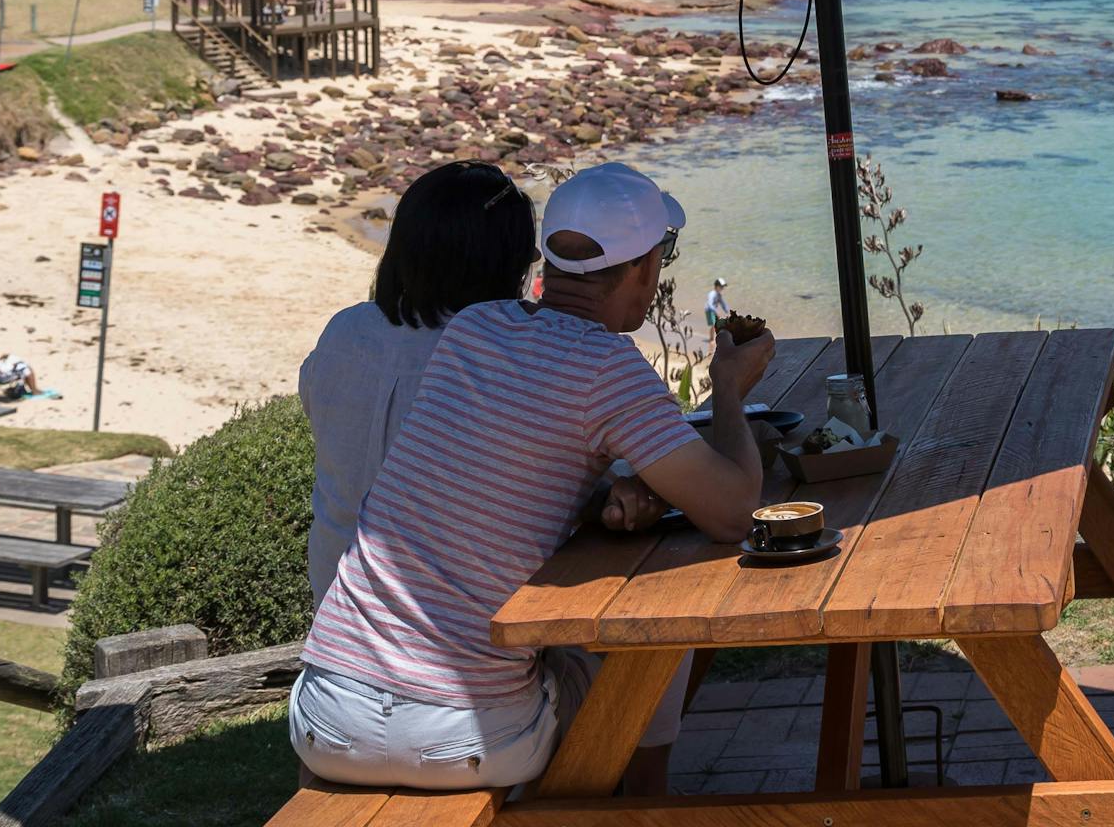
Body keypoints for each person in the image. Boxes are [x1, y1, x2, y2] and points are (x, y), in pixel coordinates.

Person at [290, 163, 775, 793]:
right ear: (648, 268)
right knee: (634, 681)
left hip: (324, 715)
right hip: (465, 739)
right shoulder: (607, 367)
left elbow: (492, 467)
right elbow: (734, 514)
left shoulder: (471, 330)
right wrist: (730, 390)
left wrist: (600, 493)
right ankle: (649, 801)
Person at [299, 161, 538, 604]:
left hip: (332, 603)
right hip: (440, 631)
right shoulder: (496, 358)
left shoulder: (344, 332)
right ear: (501, 264)